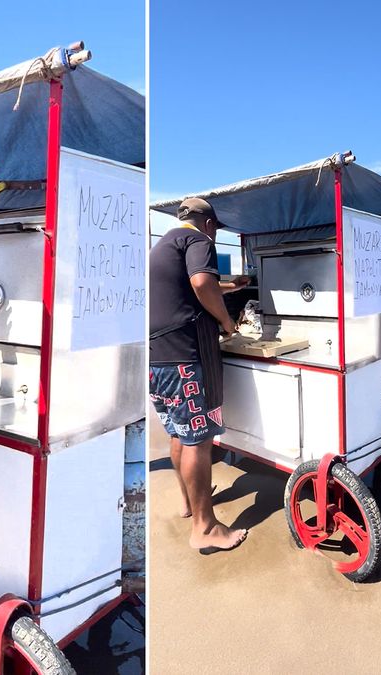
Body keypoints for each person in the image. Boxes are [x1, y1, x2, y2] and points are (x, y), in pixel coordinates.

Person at [149, 197, 249, 555]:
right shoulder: (199, 242)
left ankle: (189, 504)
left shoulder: (163, 244)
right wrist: (226, 321)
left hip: (156, 359)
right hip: (183, 358)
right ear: (208, 224)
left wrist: (230, 288)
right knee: (198, 441)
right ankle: (205, 528)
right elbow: (202, 282)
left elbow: (191, 285)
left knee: (179, 433)